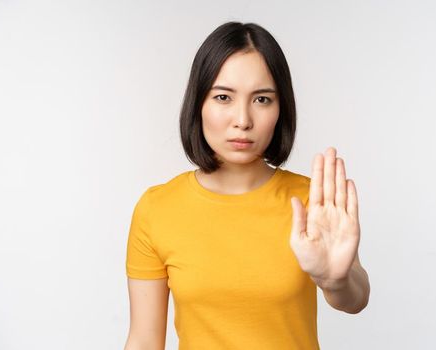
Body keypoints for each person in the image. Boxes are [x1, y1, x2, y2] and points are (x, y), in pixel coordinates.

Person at [123, 22, 371, 350]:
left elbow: (355, 299)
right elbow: (143, 341)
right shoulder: (157, 209)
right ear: (199, 103)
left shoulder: (311, 200)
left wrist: (335, 280)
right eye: (223, 96)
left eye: (262, 99)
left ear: (280, 109)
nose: (243, 119)